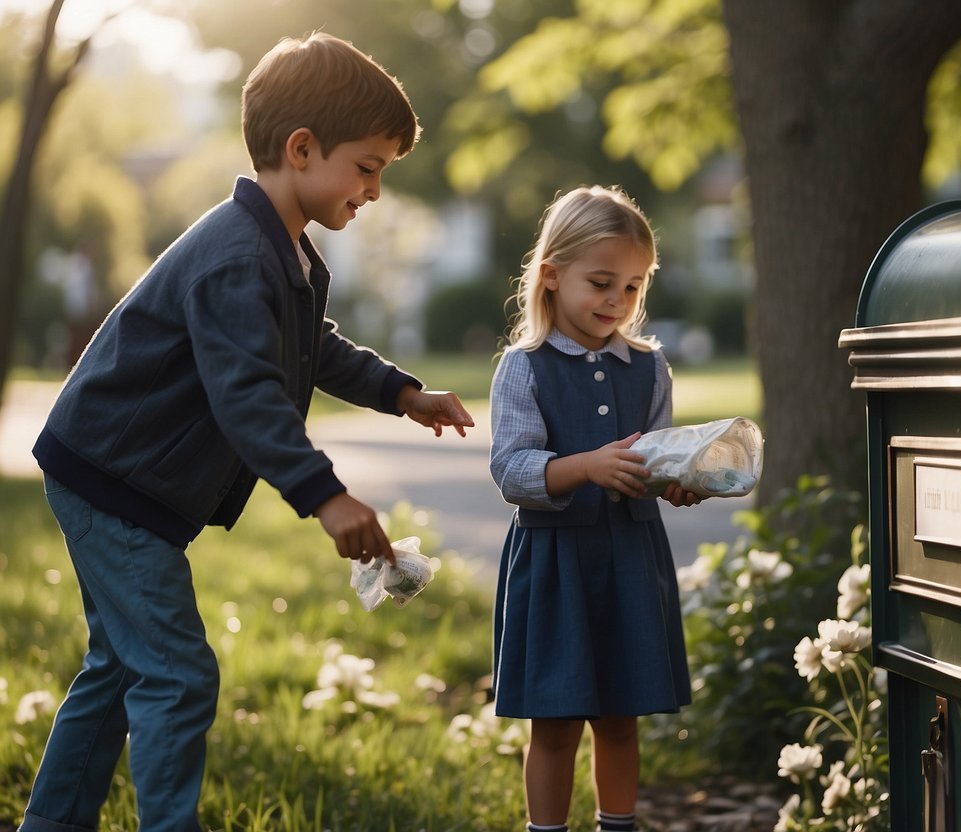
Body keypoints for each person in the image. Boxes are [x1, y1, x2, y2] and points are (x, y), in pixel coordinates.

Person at [20, 32, 474, 832]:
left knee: (122, 670)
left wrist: (401, 393)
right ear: (302, 149)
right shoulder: (238, 258)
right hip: (111, 480)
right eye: (366, 167)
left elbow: (311, 348)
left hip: (115, 476)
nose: (372, 190)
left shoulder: (280, 249)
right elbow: (248, 396)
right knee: (177, 674)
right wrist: (325, 497)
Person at [489, 185, 700, 832]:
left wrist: (675, 481)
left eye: (633, 287)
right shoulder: (523, 369)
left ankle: (618, 825)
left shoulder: (649, 368)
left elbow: (654, 459)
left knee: (620, 716)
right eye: (601, 282)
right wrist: (585, 466)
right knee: (553, 722)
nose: (617, 301)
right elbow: (511, 470)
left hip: (631, 561)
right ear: (551, 276)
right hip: (556, 564)